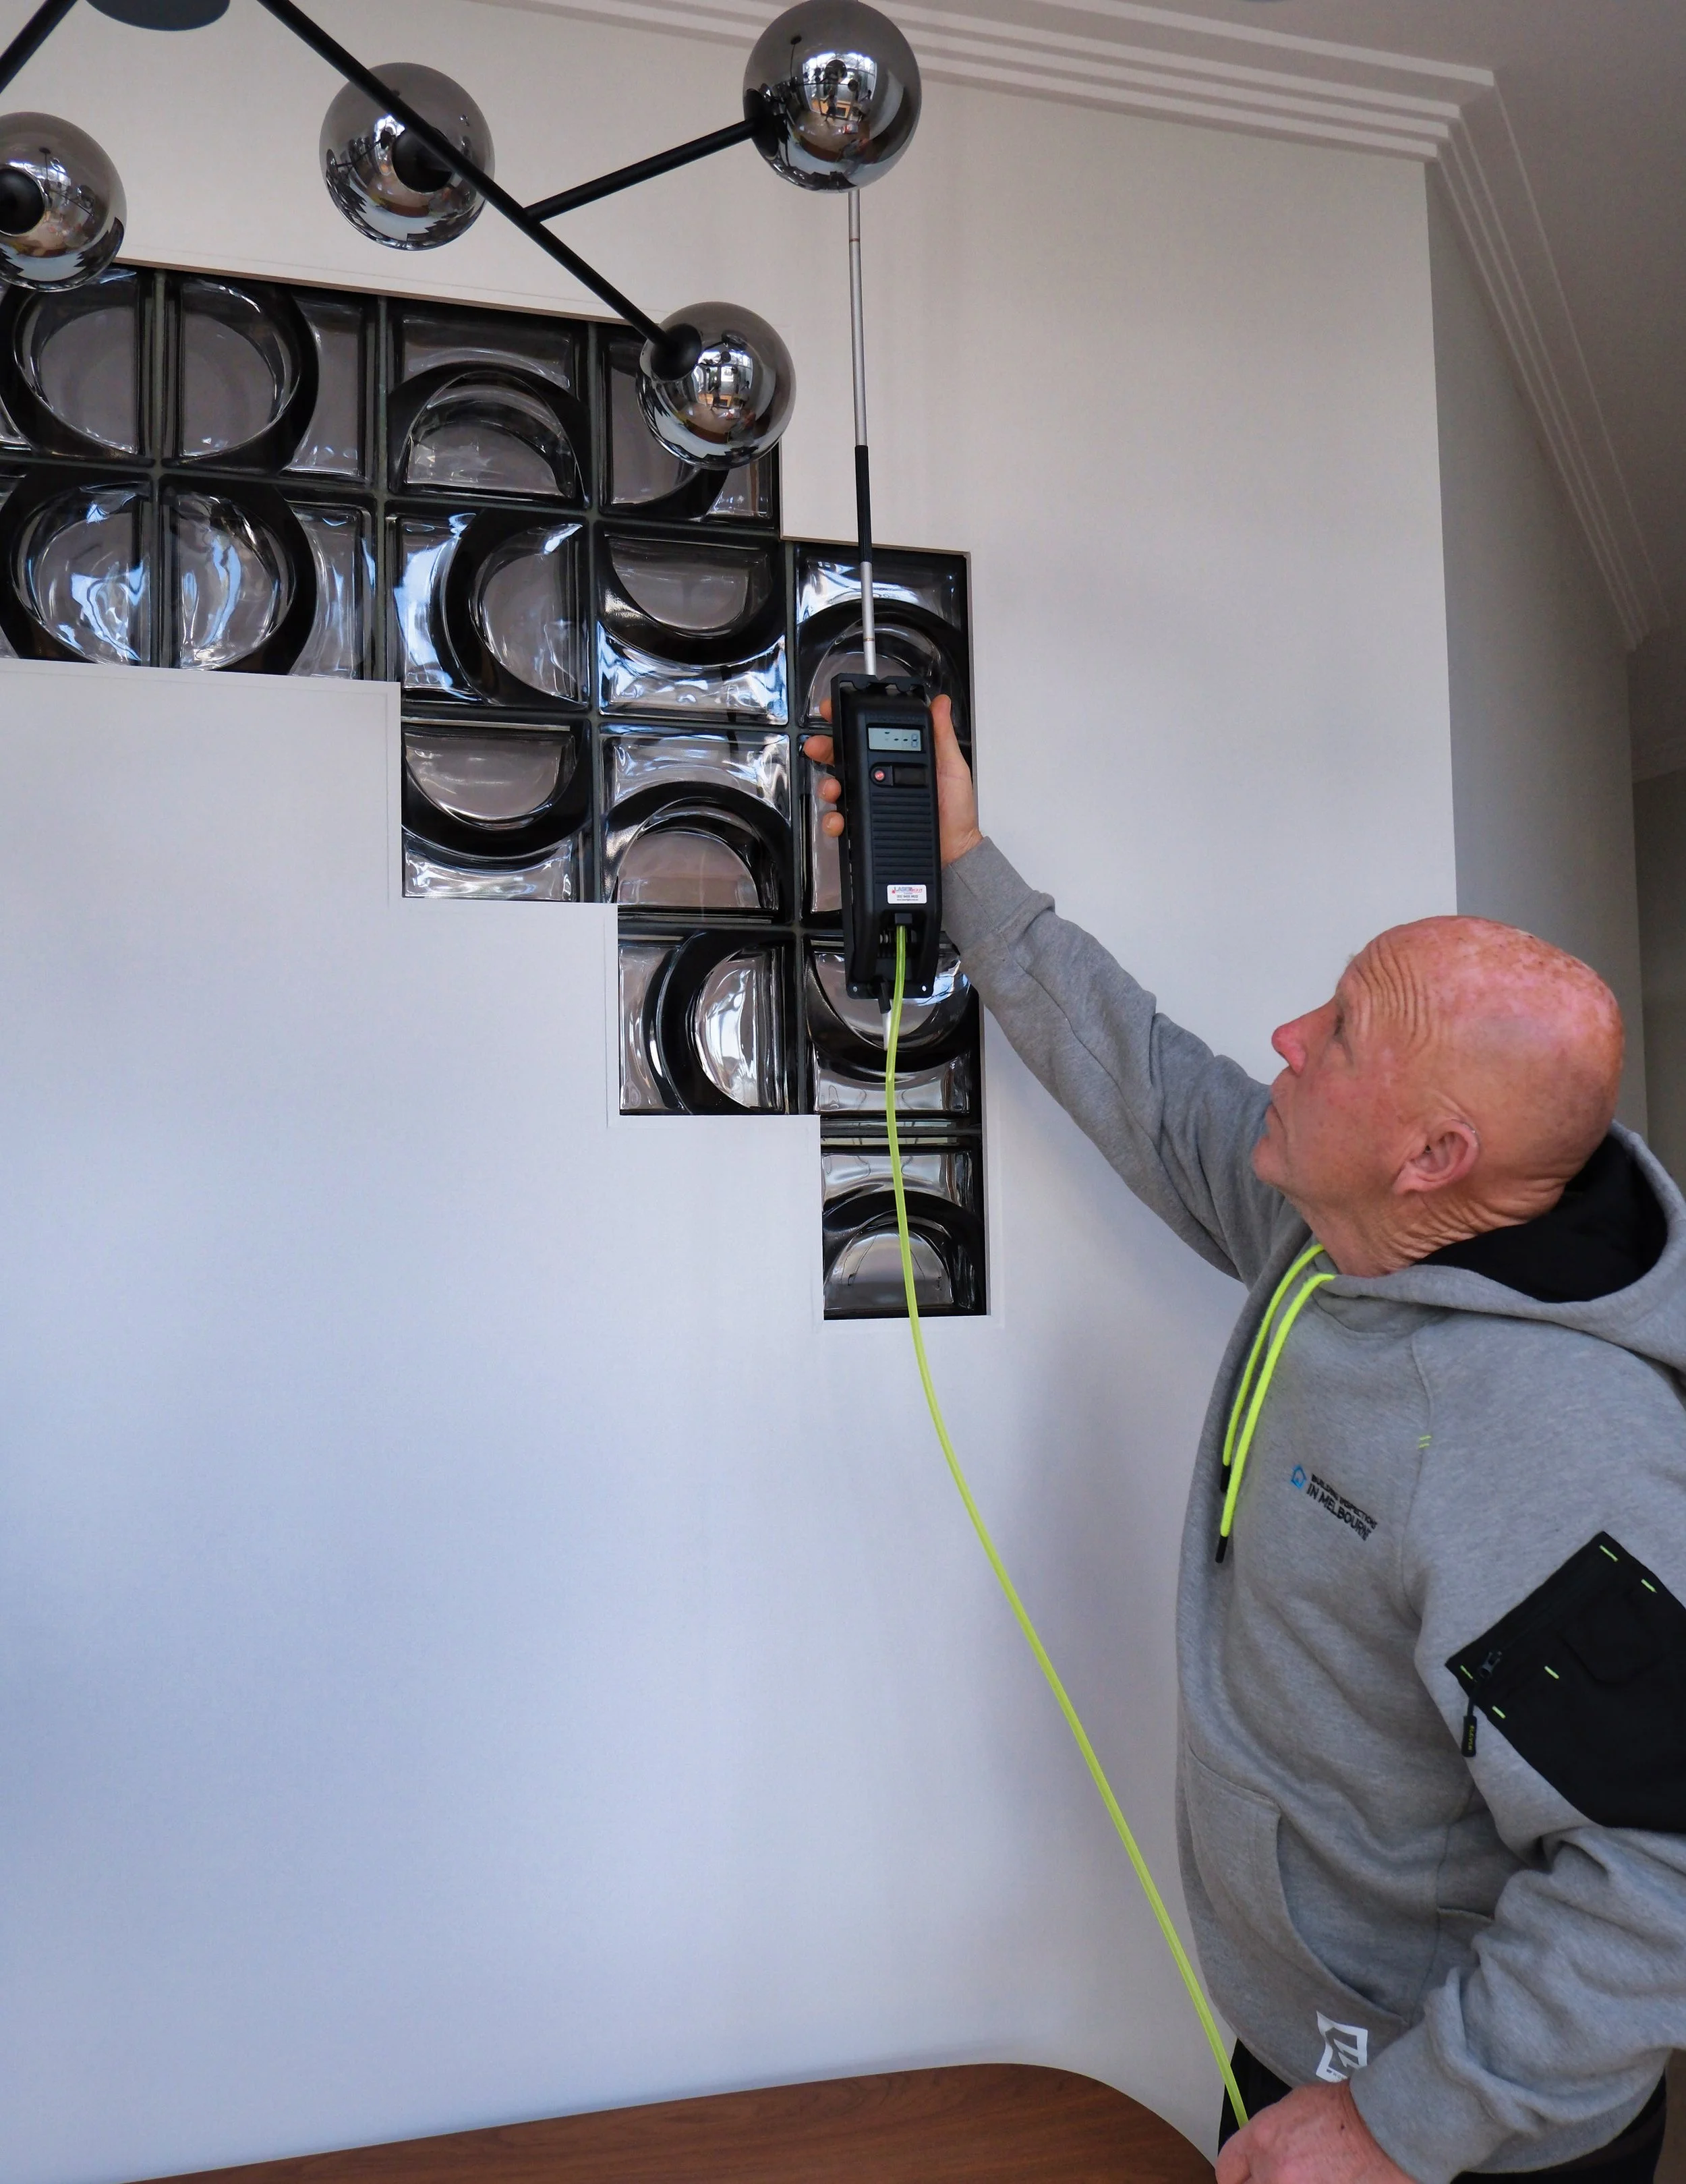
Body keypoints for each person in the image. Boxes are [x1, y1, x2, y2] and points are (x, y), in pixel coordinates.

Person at [805, 699, 1686, 2184]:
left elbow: (1659, 1863)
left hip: (1467, 2125)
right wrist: (958, 862)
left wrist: (1404, 2125)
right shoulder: (1346, 1234)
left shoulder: (1545, 1445)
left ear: (1432, 1157)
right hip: (1314, 2052)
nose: (1285, 1036)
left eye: (1336, 1034)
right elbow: (1152, 1089)